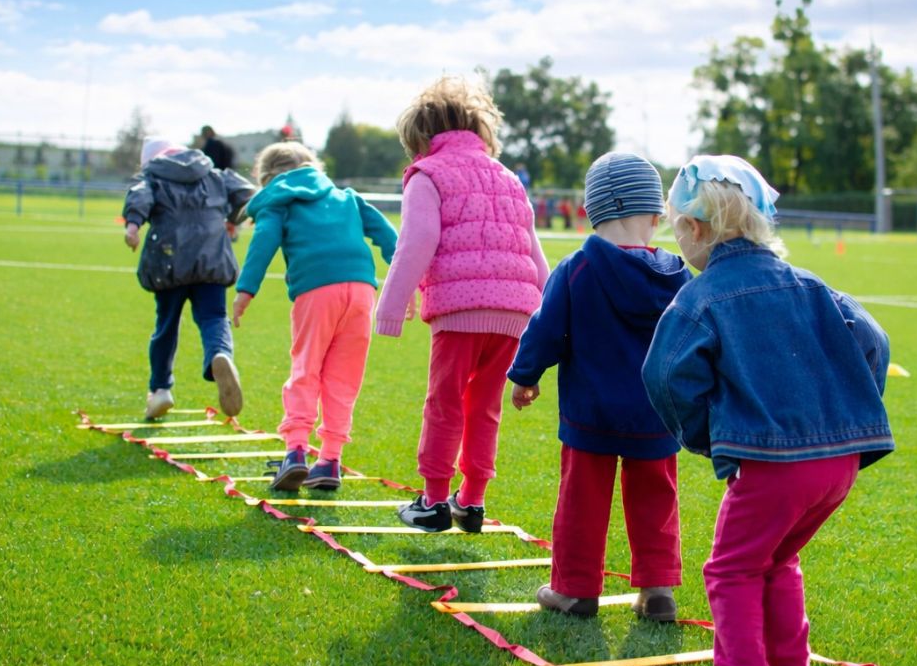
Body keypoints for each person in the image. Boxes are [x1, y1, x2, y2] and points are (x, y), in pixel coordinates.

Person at [641, 155, 893, 666]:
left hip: (774, 464)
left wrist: (707, 435)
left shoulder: (702, 294)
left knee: (730, 568)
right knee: (779, 559)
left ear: (696, 230)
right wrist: (850, 412)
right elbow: (874, 343)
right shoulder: (811, 285)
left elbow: (664, 374)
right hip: (839, 464)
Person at [508, 152, 692, 622]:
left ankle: (574, 589)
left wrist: (525, 376)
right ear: (656, 215)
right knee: (656, 499)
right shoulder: (677, 275)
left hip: (590, 412)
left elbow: (545, 329)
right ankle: (657, 590)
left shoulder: (576, 268)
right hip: (657, 414)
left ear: (590, 212)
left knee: (581, 501)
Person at [376, 76, 549, 532]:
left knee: (444, 402)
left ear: (422, 137)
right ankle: (471, 501)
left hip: (460, 309)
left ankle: (433, 501)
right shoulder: (509, 177)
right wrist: (548, 318)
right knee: (484, 405)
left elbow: (417, 240)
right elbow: (533, 249)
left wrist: (391, 305)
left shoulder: (427, 174)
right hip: (516, 312)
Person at [232, 142, 397, 491]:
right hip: (363, 290)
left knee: (306, 369)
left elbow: (263, 242)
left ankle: (295, 452)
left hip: (316, 290)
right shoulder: (346, 197)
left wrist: (246, 290)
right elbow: (388, 236)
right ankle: (330, 461)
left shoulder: (279, 201)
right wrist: (405, 283)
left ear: (267, 179)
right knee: (344, 377)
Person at [122, 138, 255, 420]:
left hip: (170, 261)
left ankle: (160, 390)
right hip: (212, 258)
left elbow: (140, 196)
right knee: (214, 317)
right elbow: (245, 193)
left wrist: (133, 226)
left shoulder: (154, 176)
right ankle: (220, 355)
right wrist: (233, 217)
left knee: (166, 324)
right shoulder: (212, 172)